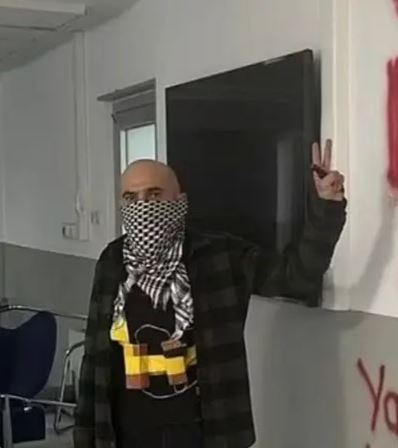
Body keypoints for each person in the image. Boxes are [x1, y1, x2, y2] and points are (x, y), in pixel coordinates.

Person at [74, 140, 347, 448]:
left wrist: (327, 207)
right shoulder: (112, 261)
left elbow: (296, 277)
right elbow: (94, 358)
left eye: (154, 194)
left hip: (204, 432)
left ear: (179, 200)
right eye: (131, 198)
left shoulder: (219, 255)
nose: (143, 206)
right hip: (126, 432)